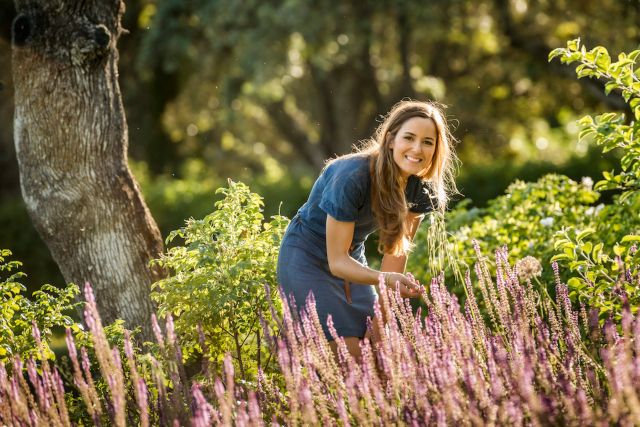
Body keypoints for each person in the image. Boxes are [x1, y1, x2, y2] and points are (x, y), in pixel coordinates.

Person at [276, 99, 458, 358]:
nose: (417, 149)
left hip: (351, 256)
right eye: (409, 137)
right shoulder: (351, 175)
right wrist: (386, 281)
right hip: (306, 256)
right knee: (347, 354)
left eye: (428, 142)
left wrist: (380, 326)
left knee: (377, 357)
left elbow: (394, 260)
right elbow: (337, 262)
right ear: (391, 139)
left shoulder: (420, 189)